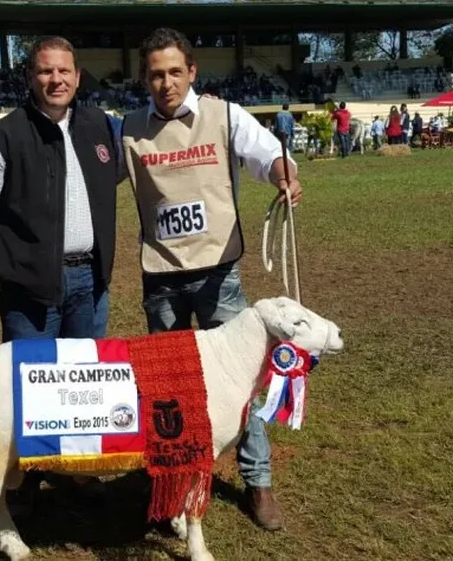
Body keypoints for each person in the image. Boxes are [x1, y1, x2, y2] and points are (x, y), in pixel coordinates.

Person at [119, 27, 301, 532]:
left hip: (219, 276)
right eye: (156, 74)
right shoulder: (128, 128)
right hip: (162, 280)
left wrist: (283, 171)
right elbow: (90, 176)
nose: (166, 83)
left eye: (175, 72)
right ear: (144, 78)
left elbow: (263, 152)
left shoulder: (224, 115)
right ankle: (174, 484)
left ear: (192, 71)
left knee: (243, 385)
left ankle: (257, 481)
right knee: (169, 392)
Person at [0, 35, 119, 342]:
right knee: (31, 384)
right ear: (30, 76)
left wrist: (198, 103)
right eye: (45, 71)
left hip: (91, 283)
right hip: (28, 291)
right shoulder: (1, 137)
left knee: (85, 384)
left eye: (64, 71)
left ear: (78, 77)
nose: (56, 80)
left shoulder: (100, 126)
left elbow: (150, 133)